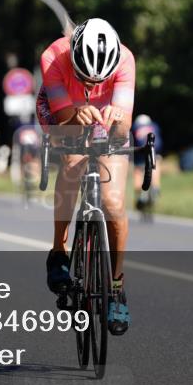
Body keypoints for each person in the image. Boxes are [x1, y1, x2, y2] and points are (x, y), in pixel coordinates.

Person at [36, 18, 135, 335]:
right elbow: (64, 119)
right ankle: (58, 251)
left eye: (98, 81)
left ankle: (116, 287)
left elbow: (123, 130)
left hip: (105, 119)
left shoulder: (125, 59)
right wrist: (76, 113)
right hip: (63, 114)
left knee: (113, 202)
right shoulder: (53, 56)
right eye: (85, 78)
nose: (92, 86)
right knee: (72, 163)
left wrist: (117, 119)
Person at [131, 114, 162, 217]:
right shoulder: (154, 126)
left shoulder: (135, 127)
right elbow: (159, 141)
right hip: (154, 152)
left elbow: (132, 143)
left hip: (140, 154)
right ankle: (156, 187)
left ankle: (139, 193)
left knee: (138, 170)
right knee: (155, 166)